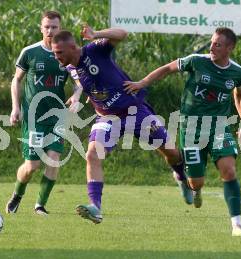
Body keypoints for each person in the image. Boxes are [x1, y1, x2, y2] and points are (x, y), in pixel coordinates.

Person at [51, 25, 193, 224]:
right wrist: (76, 96)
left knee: (170, 152)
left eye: (59, 52)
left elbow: (123, 34)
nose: (56, 55)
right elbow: (81, 82)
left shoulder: (94, 49)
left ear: (73, 47)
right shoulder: (69, 66)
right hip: (107, 117)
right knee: (92, 154)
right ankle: (96, 207)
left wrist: (96, 35)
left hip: (134, 110)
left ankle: (180, 176)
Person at [124, 27, 241, 236]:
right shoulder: (196, 61)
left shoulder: (237, 72)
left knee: (229, 170)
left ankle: (237, 224)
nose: (211, 47)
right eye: (211, 42)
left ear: (230, 48)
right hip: (191, 128)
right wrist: (142, 83)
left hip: (219, 127)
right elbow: (167, 68)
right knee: (196, 182)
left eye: (217, 44)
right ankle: (193, 187)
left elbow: (239, 93)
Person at [5, 11, 69, 216]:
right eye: (47, 27)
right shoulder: (30, 52)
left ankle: (40, 205)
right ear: (41, 28)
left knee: (54, 158)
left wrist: (77, 95)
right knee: (32, 165)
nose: (50, 31)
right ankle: (17, 194)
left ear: (60, 29)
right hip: (34, 117)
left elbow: (80, 82)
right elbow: (16, 80)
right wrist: (16, 107)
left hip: (58, 116)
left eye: (54, 27)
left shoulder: (67, 53)